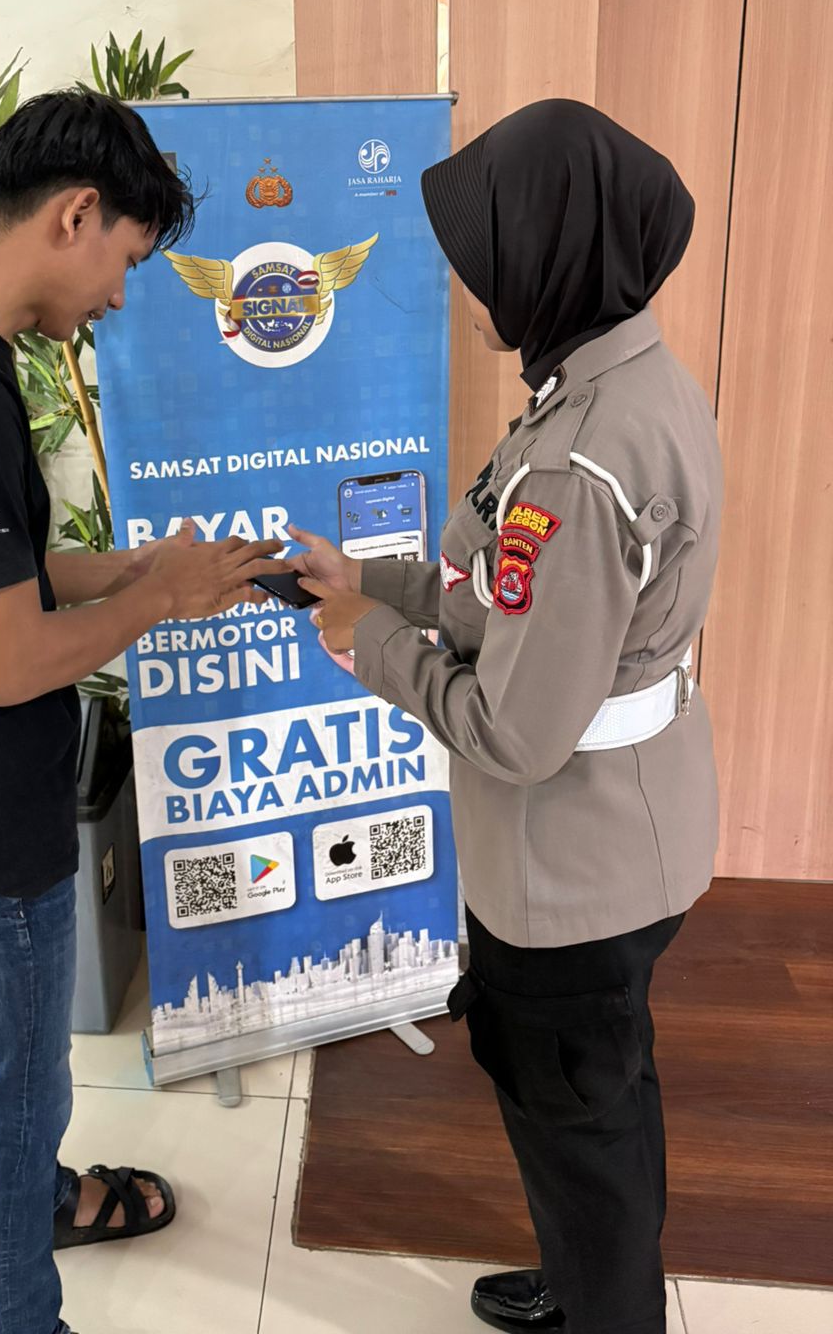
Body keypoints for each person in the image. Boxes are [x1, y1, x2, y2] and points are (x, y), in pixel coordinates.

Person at [0, 89, 283, 1334]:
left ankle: (49, 1196)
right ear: (76, 214)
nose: (121, 296)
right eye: (127, 259)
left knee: (12, 1081)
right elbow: (7, 660)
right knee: (11, 1103)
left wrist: (142, 570)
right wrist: (157, 603)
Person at [294, 100, 722, 1334]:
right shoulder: (627, 382)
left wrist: (369, 642)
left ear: (549, 259)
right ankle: (590, 1279)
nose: (466, 280)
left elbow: (516, 731)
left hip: (568, 865)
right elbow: (512, 596)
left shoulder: (577, 463)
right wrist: (375, 583)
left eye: (484, 255)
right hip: (631, 835)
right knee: (597, 1096)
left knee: (575, 1109)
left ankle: (607, 1305)